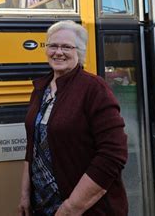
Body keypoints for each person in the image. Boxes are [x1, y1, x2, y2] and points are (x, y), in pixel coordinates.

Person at [18, 20, 128, 216]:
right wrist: (25, 195)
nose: (58, 52)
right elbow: (32, 147)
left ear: (80, 52)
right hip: (42, 206)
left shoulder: (94, 89)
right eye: (53, 45)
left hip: (85, 209)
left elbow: (112, 155)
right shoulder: (40, 89)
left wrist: (71, 208)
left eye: (67, 47)